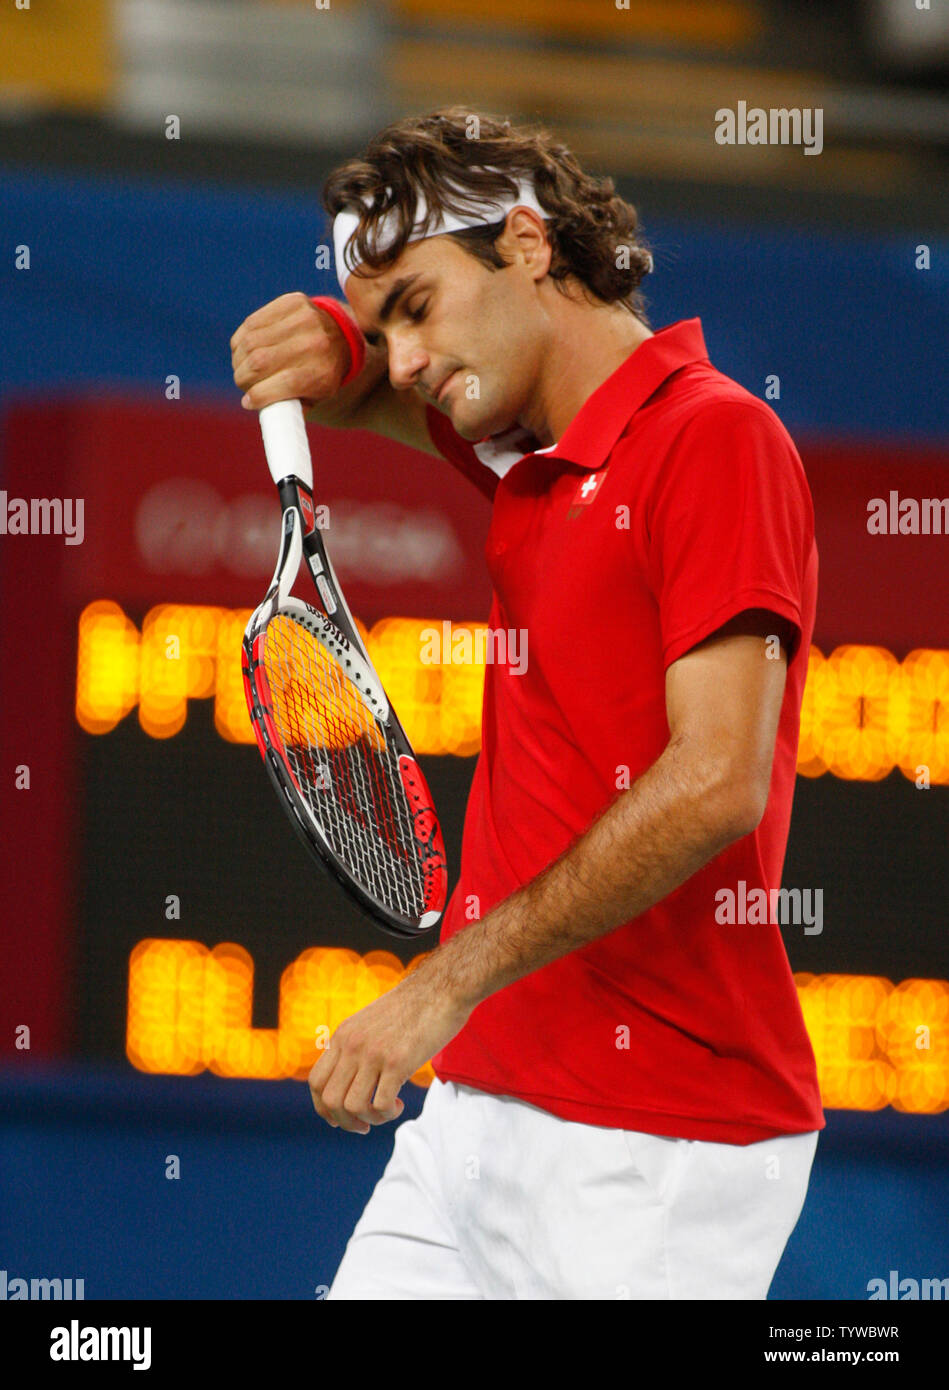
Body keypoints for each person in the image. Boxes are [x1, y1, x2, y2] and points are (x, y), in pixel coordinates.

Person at [230, 107, 824, 1300]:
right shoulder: (526, 453)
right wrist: (332, 343)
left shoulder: (716, 440)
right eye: (385, 318)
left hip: (660, 1148)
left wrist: (442, 983)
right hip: (472, 1119)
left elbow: (715, 781)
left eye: (417, 305)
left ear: (527, 245)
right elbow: (374, 389)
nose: (404, 356)